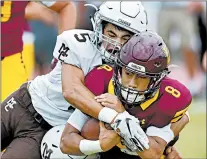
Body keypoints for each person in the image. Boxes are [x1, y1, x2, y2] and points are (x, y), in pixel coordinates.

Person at [60, 31, 192, 159]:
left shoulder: (170, 97)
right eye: (128, 73)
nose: (132, 83)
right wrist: (100, 145)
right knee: (90, 129)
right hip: (103, 154)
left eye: (141, 76)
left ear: (156, 79)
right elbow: (65, 142)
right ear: (119, 68)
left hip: (139, 155)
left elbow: (152, 154)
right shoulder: (102, 81)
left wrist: (123, 116)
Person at [1, 1, 77, 101]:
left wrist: (63, 56)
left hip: (13, 50)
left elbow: (65, 6)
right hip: (17, 43)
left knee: (11, 106)